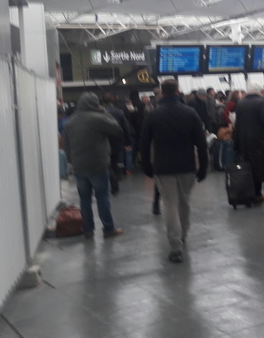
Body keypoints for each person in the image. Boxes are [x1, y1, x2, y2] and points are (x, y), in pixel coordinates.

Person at [139, 79, 208, 263]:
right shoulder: (190, 112)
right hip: (187, 165)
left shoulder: (153, 115)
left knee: (170, 203)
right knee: (184, 201)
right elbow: (201, 143)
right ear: (178, 91)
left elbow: (144, 144)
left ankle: (175, 246)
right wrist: (204, 166)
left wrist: (146, 166)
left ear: (162, 92)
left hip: (163, 166)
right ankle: (183, 234)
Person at [62, 92, 124, 239]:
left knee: (84, 199)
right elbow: (116, 129)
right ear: (95, 104)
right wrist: (104, 112)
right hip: (98, 165)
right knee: (102, 197)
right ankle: (108, 228)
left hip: (79, 167)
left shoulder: (69, 121)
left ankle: (88, 230)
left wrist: (72, 161)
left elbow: (66, 146)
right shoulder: (98, 118)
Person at [234, 83, 264, 202]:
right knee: (259, 165)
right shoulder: (261, 102)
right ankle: (258, 193)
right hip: (258, 139)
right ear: (258, 91)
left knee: (248, 165)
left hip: (243, 139)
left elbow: (237, 123)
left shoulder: (240, 103)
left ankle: (249, 192)